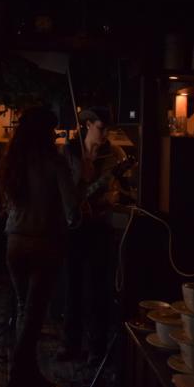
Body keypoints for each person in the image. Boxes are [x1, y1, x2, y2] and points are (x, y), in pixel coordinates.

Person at [0, 107, 80, 387]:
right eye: (52, 130)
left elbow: (8, 204)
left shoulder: (12, 161)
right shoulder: (54, 162)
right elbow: (72, 209)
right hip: (44, 243)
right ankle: (18, 377)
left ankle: (27, 373)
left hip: (14, 242)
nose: (55, 135)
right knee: (33, 313)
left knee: (25, 309)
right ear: (44, 132)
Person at [59, 106, 132, 365]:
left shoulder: (115, 154)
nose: (105, 134)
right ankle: (71, 344)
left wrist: (114, 196)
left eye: (108, 129)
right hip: (72, 227)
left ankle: (96, 348)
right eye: (101, 128)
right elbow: (61, 189)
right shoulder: (69, 152)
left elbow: (125, 191)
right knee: (72, 287)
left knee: (97, 289)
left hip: (100, 226)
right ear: (87, 124)